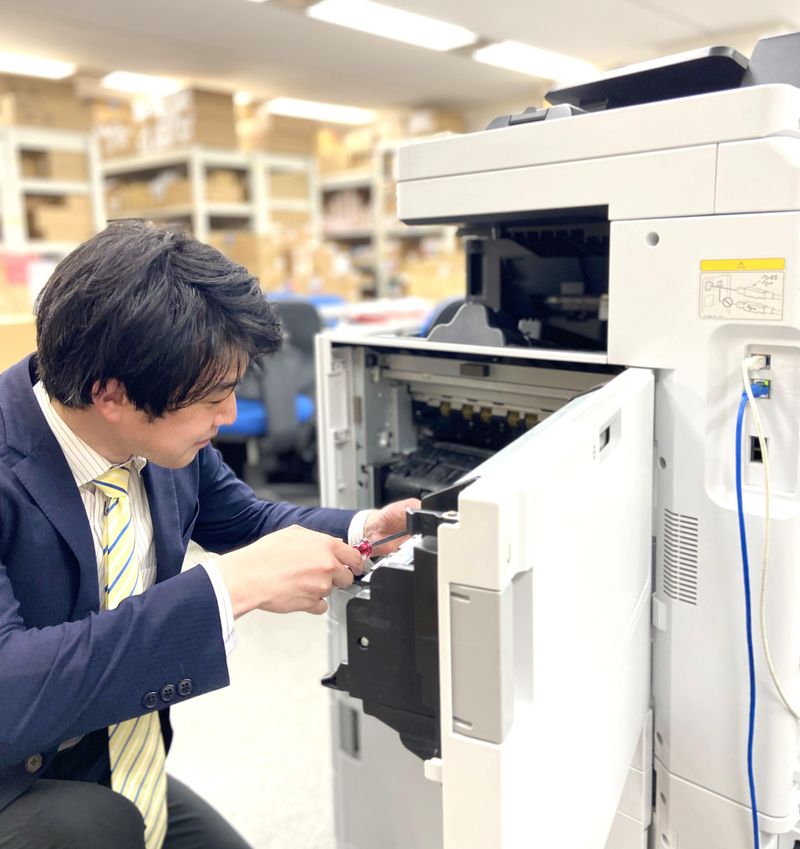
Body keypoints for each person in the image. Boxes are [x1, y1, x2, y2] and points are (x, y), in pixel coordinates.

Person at [0, 220, 417, 849]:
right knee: (96, 828)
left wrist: (365, 529)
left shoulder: (164, 441)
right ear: (111, 394)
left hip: (104, 752)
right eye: (215, 397)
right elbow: (9, 692)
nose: (230, 415)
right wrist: (228, 588)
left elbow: (246, 520)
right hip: (14, 768)